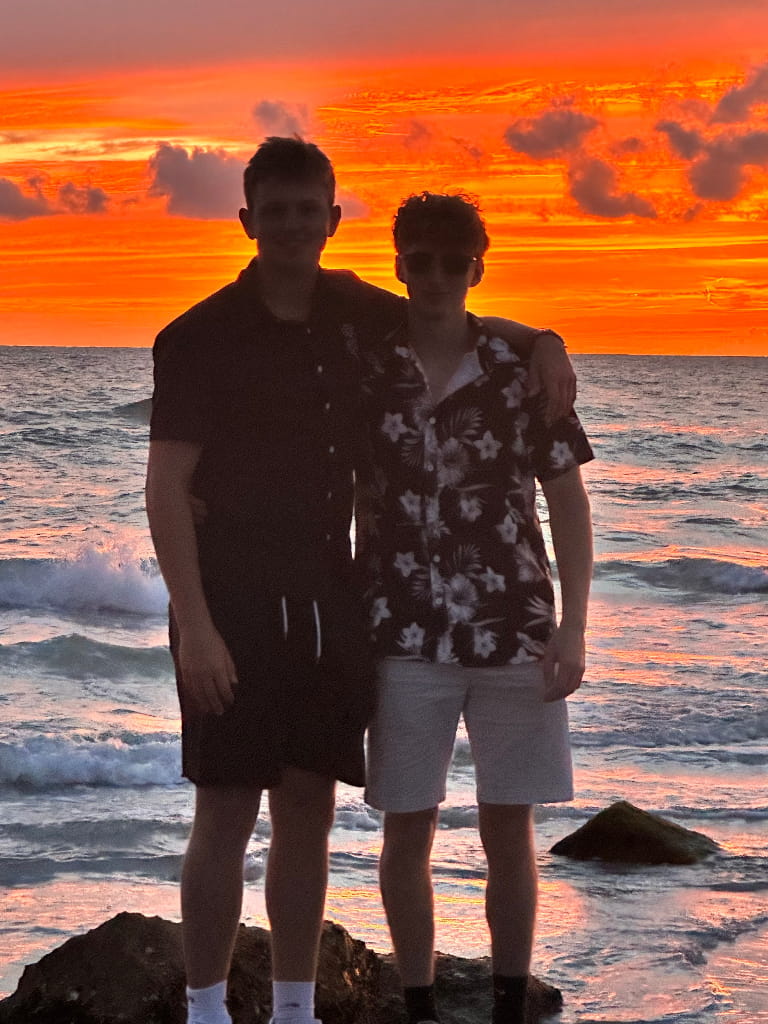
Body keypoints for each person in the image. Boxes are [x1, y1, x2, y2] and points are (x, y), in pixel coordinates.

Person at [145, 138, 576, 1024]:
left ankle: (296, 1010)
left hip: (333, 599)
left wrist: (545, 340)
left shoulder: (356, 314)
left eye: (309, 210)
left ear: (334, 219)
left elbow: (455, 317)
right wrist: (194, 625)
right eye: (275, 212)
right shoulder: (197, 337)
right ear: (247, 221)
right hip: (231, 600)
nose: (293, 226)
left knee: (307, 807)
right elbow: (164, 486)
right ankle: (206, 1011)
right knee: (223, 810)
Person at [356, 192, 594, 1024]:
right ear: (398, 266)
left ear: (476, 269)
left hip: (514, 628)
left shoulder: (518, 370)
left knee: (508, 828)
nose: (433, 277)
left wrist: (573, 628)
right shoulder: (368, 371)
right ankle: (418, 1005)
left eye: (451, 263)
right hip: (402, 631)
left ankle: (506, 1002)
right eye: (417, 261)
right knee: (406, 829)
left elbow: (568, 503)